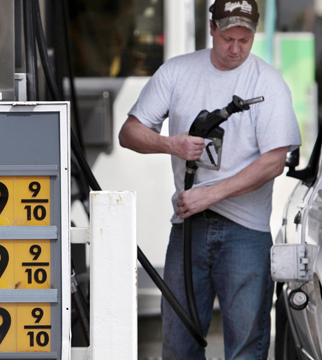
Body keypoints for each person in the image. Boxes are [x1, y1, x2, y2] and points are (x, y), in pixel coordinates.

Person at [118, 0, 302, 358]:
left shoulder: (268, 82)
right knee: (178, 340)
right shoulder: (177, 72)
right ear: (212, 28)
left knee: (246, 344)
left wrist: (210, 194)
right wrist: (171, 143)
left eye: (244, 40)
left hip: (245, 231)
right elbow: (130, 132)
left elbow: (273, 162)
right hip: (188, 225)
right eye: (227, 38)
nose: (235, 49)